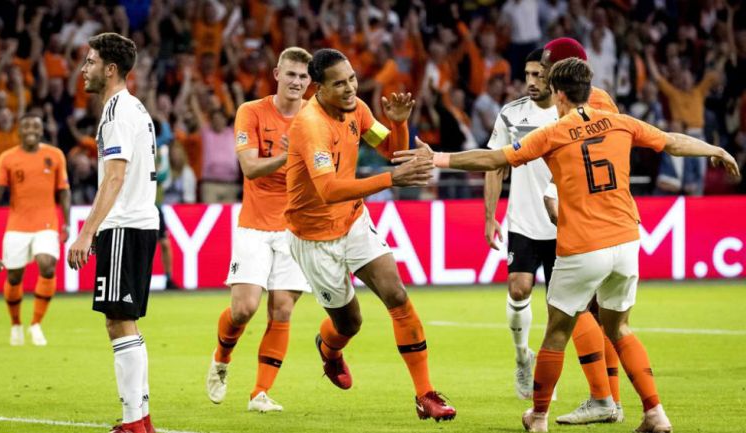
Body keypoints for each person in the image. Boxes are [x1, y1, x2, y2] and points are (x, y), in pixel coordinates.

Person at [394, 57, 740, 433]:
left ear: (558, 93)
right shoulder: (622, 123)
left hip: (583, 245)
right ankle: (655, 413)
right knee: (620, 329)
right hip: (626, 242)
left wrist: (438, 158)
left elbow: (495, 158)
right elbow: (672, 142)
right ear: (587, 90)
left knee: (557, 333)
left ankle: (539, 417)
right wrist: (716, 150)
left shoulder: (554, 133)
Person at [284, 48, 455, 421]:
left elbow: (394, 150)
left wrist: (398, 124)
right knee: (350, 323)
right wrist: (392, 179)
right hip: (314, 237)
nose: (349, 88)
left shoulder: (357, 109)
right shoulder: (309, 125)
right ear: (318, 88)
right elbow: (328, 189)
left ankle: (425, 394)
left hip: (353, 221)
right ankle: (329, 349)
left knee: (396, 293)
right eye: (339, 84)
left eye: (352, 79)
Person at [486, 41, 624, 425]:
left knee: (584, 312)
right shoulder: (518, 112)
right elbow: (495, 163)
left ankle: (602, 400)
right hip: (542, 221)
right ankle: (605, 399)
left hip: (578, 221)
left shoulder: (586, 107)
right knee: (573, 307)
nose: (536, 78)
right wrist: (489, 214)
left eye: (542, 70)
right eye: (532, 72)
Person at [205, 47, 313, 413]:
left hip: (296, 228)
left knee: (282, 309)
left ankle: (260, 393)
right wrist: (289, 155)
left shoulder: (315, 117)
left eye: (303, 76)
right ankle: (221, 357)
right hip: (255, 225)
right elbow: (250, 168)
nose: (297, 82)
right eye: (291, 74)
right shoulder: (250, 111)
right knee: (244, 308)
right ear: (276, 74)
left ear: (310, 81)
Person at [67, 33, 159, 433]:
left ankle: (133, 422)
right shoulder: (133, 108)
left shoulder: (117, 111)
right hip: (137, 222)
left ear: (110, 69)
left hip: (124, 225)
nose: (82, 69)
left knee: (119, 321)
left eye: (89, 61)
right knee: (123, 320)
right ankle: (140, 419)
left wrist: (86, 233)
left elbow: (115, 177)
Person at [0, 113, 70, 347]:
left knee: (47, 265)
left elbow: (64, 191)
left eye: (35, 126)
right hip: (17, 225)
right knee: (14, 276)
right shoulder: (7, 158)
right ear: (19, 131)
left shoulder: (55, 155)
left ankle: (36, 324)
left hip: (47, 223)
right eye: (26, 125)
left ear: (42, 131)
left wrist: (67, 223)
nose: (31, 129)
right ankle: (16, 323)